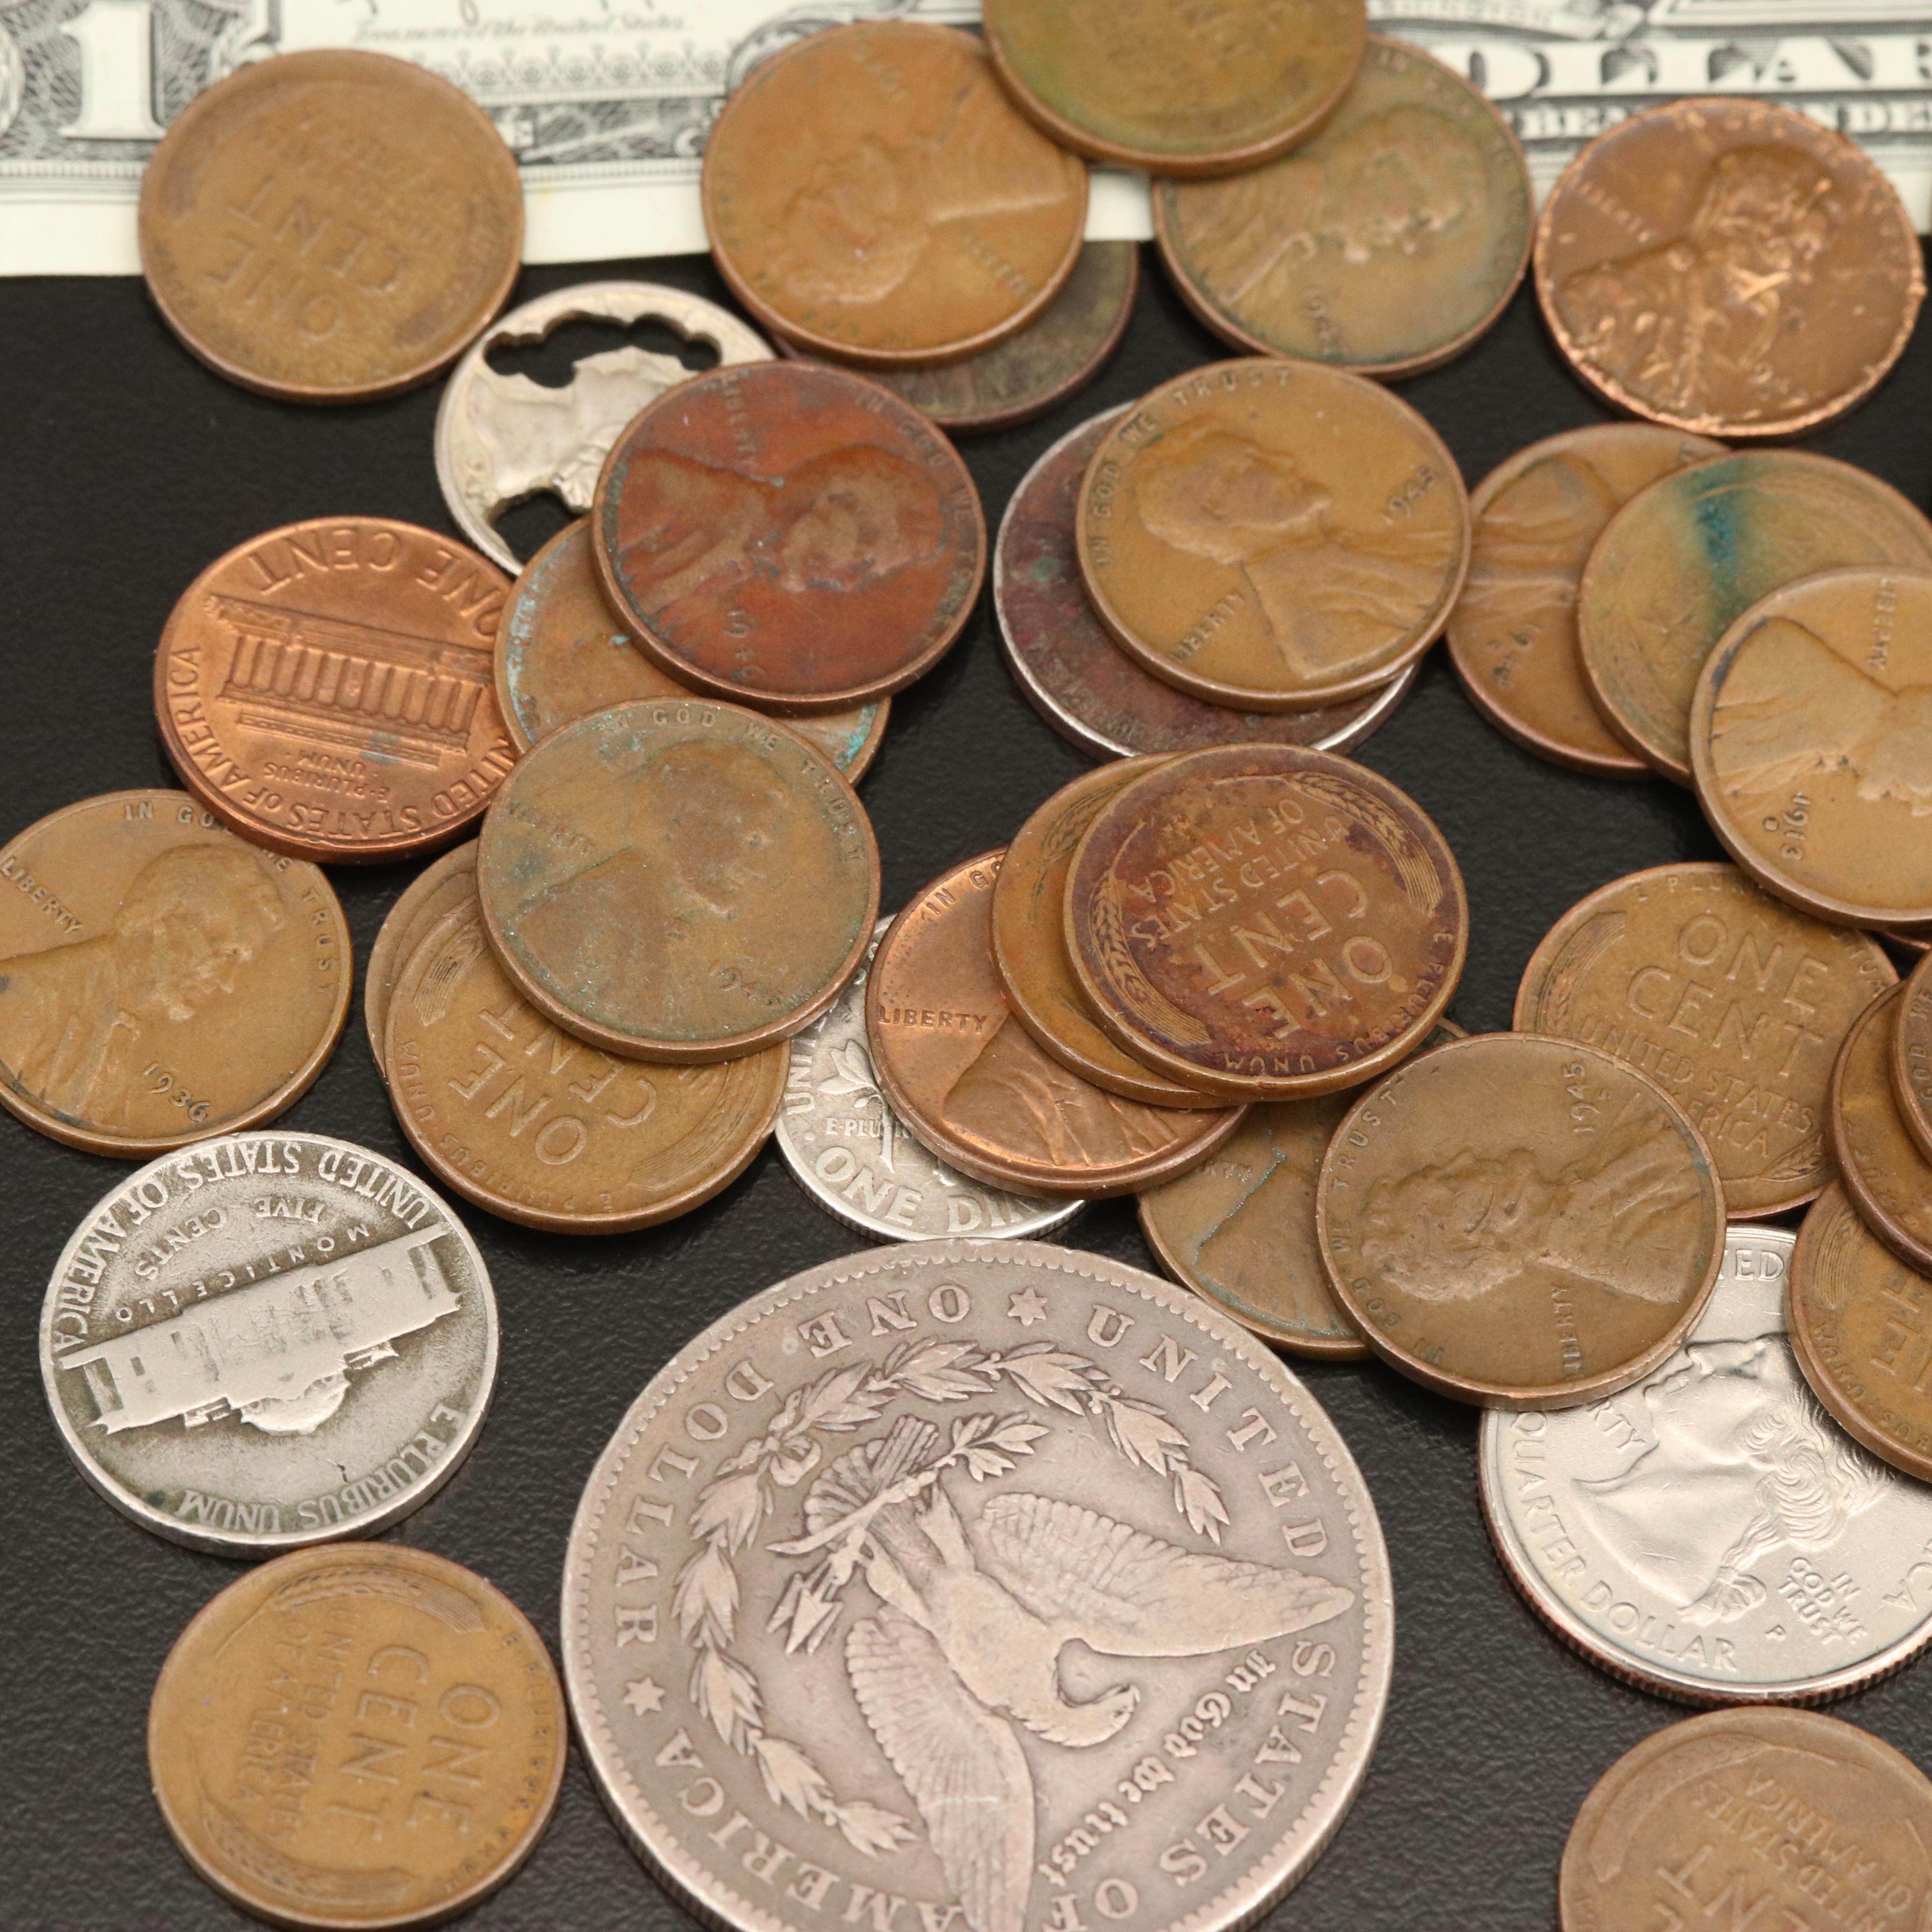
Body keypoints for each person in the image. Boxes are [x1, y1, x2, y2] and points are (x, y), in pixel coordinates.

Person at [1576, 1332, 1887, 1623]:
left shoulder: (1667, 1566)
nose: (1700, 1353)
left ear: (1773, 1435)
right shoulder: (1600, 1508)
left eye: (1748, 1369)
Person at [1131, 419, 1451, 684]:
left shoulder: (1358, 548)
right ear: (1216, 510)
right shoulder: (1318, 640)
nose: (1284, 461)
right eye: (1252, 464)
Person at [0, 843, 283, 1126]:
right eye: (224, 954)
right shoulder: (25, 993)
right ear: (166, 921)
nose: (228, 984)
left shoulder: (162, 1039)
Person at [1556, 145, 1840, 419]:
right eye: (1801, 251)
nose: (1806, 274)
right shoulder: (1610, 299)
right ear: (1761, 233)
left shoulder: (1768, 312)